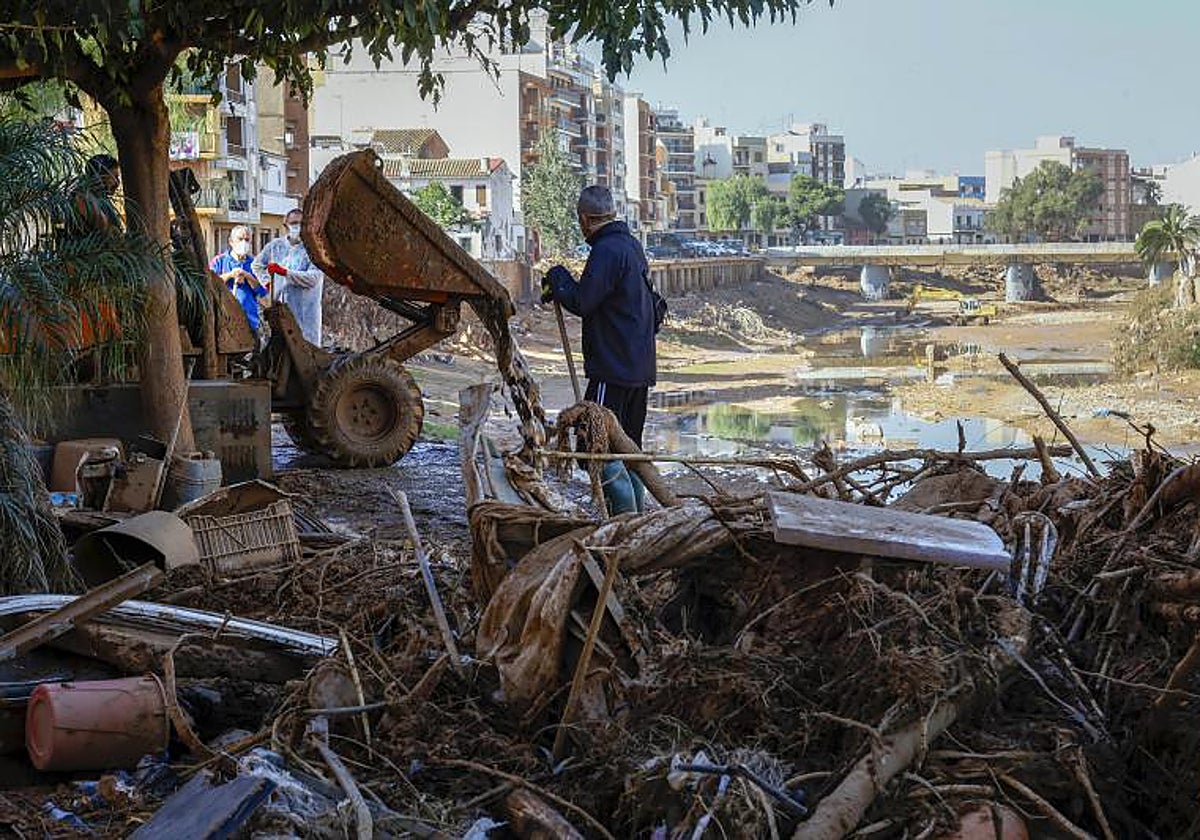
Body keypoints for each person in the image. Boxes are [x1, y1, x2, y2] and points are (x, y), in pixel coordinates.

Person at [541, 185, 656, 515]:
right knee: (629, 448)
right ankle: (637, 521)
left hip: (613, 369)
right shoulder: (631, 247)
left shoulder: (606, 250)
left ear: (584, 219)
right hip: (639, 368)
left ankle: (623, 524)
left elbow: (583, 301)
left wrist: (558, 277)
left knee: (598, 447)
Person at [252, 207, 325, 346]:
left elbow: (314, 278)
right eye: (293, 223)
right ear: (286, 226)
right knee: (282, 350)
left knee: (306, 352)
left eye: (300, 223)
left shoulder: (313, 249)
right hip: (282, 310)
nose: (297, 227)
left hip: (306, 312)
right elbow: (257, 265)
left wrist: (285, 273)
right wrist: (268, 283)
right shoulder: (275, 246)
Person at [210, 225, 267, 335]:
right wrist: (230, 275)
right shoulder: (219, 261)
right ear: (231, 241)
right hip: (224, 320)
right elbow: (210, 283)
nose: (244, 243)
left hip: (250, 321)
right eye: (240, 239)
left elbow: (263, 291)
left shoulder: (255, 264)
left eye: (247, 240)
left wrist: (248, 276)